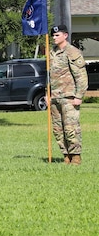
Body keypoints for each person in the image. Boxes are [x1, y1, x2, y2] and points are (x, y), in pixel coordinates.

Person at [50, 25, 88, 164]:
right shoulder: (52, 53)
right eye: (53, 35)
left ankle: (76, 156)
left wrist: (79, 96)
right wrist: (48, 95)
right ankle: (66, 155)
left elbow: (81, 76)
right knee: (58, 129)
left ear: (65, 35)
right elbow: (49, 77)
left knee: (71, 128)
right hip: (55, 97)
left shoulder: (72, 52)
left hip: (69, 96)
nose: (54, 37)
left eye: (57, 35)